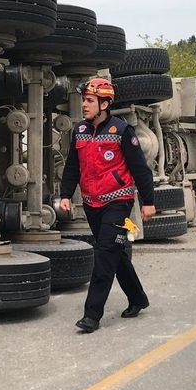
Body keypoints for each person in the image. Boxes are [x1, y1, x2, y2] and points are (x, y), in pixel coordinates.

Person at [59, 77, 156, 333]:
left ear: (104, 104)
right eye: (84, 100)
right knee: (116, 252)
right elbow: (72, 166)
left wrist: (149, 201)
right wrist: (66, 194)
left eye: (90, 101)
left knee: (104, 256)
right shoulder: (79, 131)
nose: (84, 105)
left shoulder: (122, 131)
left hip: (118, 201)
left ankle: (92, 315)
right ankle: (137, 298)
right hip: (92, 203)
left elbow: (140, 169)